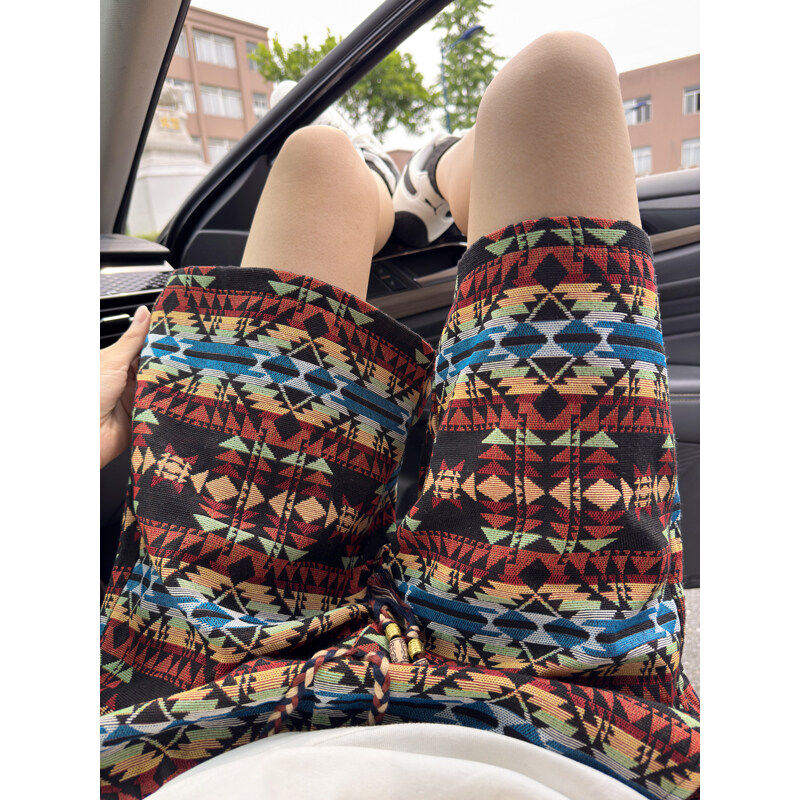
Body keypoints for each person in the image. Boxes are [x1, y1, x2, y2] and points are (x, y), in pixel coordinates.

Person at [100, 32, 699, 800]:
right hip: (572, 723)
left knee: (316, 161)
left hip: (195, 713)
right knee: (558, 79)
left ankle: (400, 188)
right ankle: (440, 176)